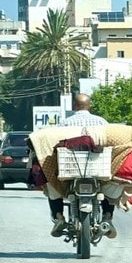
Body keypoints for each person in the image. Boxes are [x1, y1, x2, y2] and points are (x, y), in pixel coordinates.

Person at [48, 93, 117, 238]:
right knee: (110, 186)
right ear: (89, 106)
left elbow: (56, 144)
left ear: (74, 106)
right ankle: (107, 217)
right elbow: (111, 142)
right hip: (97, 168)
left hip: (71, 169)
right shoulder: (101, 122)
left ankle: (59, 217)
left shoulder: (65, 123)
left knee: (51, 186)